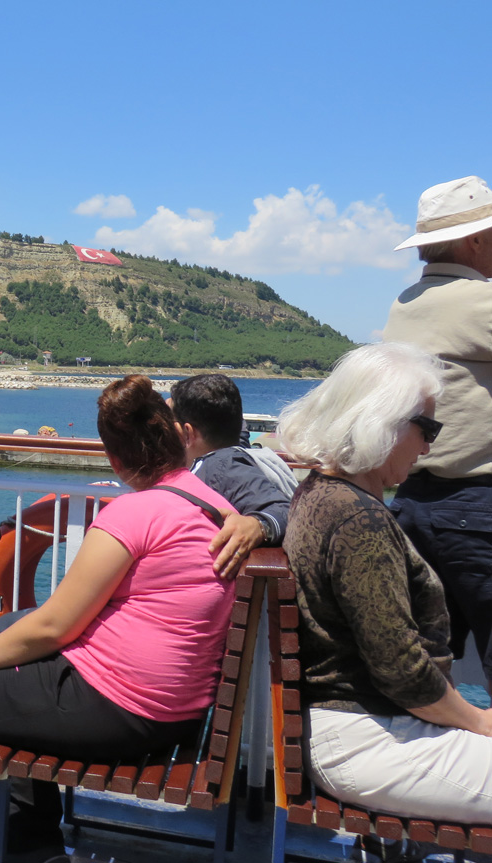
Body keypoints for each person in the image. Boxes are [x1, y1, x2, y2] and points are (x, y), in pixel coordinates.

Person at [0, 371, 294, 849]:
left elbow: (54, 625)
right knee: (20, 703)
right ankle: (36, 853)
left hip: (127, 707)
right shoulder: (217, 506)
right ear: (176, 439)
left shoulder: (134, 514)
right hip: (181, 708)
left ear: (116, 460)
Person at [279, 342, 492, 823]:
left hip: (356, 727)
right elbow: (401, 669)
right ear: (385, 421)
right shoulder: (359, 521)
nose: (429, 446)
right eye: (427, 428)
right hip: (370, 738)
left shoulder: (318, 492)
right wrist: (478, 720)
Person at [382, 175, 492, 693]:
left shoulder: (404, 303)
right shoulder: (480, 303)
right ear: (476, 241)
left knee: (424, 670)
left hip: (412, 504)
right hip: (477, 509)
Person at [170, 373, 296, 578]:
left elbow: (286, 510)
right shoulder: (230, 458)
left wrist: (259, 525)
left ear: (187, 432)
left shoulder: (223, 466)